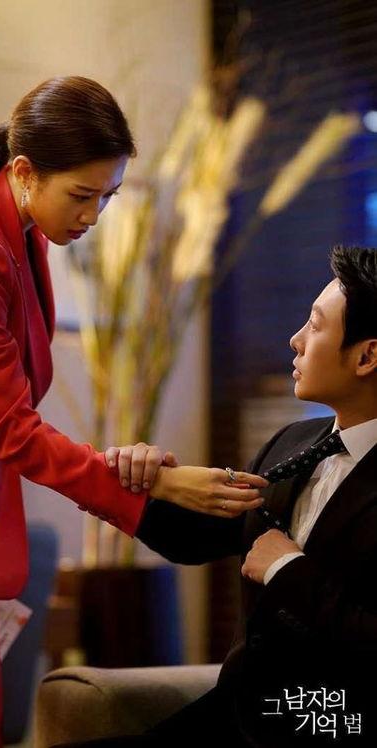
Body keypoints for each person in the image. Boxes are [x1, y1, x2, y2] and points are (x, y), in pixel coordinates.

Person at [0, 76, 267, 748]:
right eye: (82, 195)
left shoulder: (17, 231)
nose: (93, 216)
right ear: (24, 172)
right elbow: (12, 430)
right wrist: (155, 486)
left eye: (107, 197)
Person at [58, 244, 377, 747]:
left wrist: (286, 568)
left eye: (315, 326)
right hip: (239, 713)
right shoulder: (294, 442)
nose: (295, 339)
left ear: (367, 356)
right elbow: (195, 539)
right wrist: (132, 479)